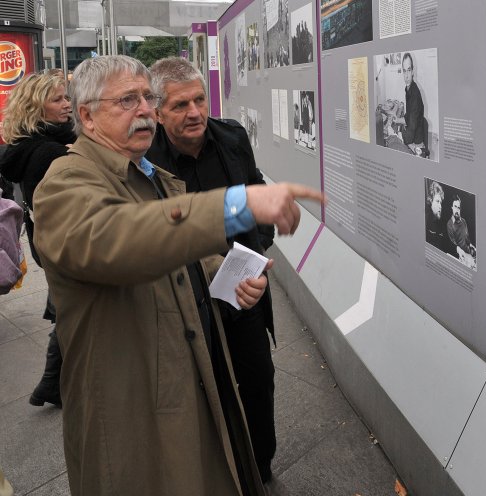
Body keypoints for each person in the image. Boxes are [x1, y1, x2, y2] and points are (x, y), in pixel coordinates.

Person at [32, 55, 323, 496]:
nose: (145, 110)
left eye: (147, 97)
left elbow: (178, 257)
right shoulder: (65, 181)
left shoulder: (143, 172)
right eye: (128, 100)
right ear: (87, 115)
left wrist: (230, 274)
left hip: (185, 372)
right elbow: (121, 238)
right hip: (131, 406)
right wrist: (235, 205)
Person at [147, 56, 278, 491]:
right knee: (207, 388)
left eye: (199, 100)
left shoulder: (232, 138)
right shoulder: (148, 160)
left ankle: (260, 467)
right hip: (188, 299)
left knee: (258, 378)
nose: (195, 113)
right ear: (159, 112)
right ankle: (219, 473)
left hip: (246, 290)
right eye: (181, 105)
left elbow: (257, 189)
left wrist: (260, 242)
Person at [0, 72, 76, 408]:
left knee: (69, 307)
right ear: (36, 106)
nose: (67, 104)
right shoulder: (50, 151)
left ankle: (50, 385)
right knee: (74, 310)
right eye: (58, 99)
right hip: (67, 242)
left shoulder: (26, 145)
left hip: (47, 241)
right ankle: (51, 384)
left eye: (66, 97)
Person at [393, 53, 426, 154]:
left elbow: (410, 134)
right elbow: (409, 116)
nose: (406, 76)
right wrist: (397, 119)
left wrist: (396, 134)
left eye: (409, 70)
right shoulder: (408, 88)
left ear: (412, 71)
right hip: (413, 136)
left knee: (393, 145)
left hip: (416, 143)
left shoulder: (415, 94)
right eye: (404, 71)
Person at [447, 195, 475, 264]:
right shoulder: (449, 224)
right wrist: (467, 256)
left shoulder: (464, 221)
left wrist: (472, 247)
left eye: (458, 208)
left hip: (469, 255)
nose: (457, 210)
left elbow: (467, 240)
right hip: (461, 258)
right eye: (455, 207)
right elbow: (455, 248)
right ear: (452, 208)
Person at [425, 179, 447, 253]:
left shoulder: (442, 223)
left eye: (440, 203)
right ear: (431, 201)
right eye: (437, 201)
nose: (440, 206)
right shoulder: (425, 221)